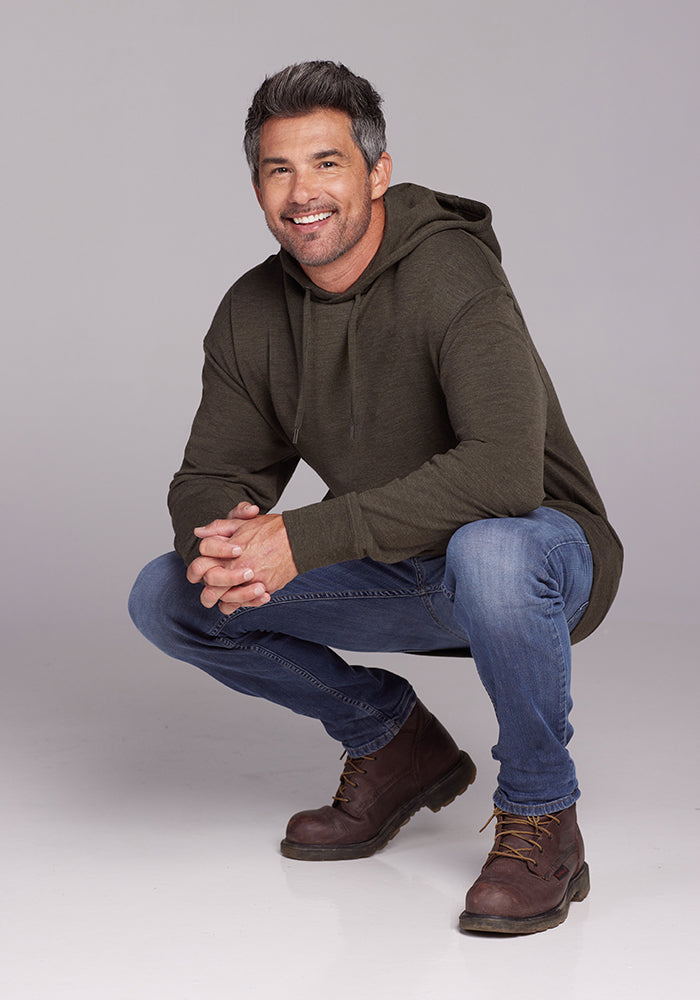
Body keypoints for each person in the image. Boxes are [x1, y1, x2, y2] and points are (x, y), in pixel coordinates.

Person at [129, 61, 622, 935]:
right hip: (400, 568)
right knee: (170, 593)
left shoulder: (451, 273)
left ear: (377, 172)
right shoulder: (252, 311)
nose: (303, 192)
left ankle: (545, 817)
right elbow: (212, 473)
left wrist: (304, 538)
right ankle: (392, 743)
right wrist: (221, 538)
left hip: (536, 562)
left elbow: (505, 475)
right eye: (279, 169)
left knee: (492, 547)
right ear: (257, 187)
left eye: (326, 163)